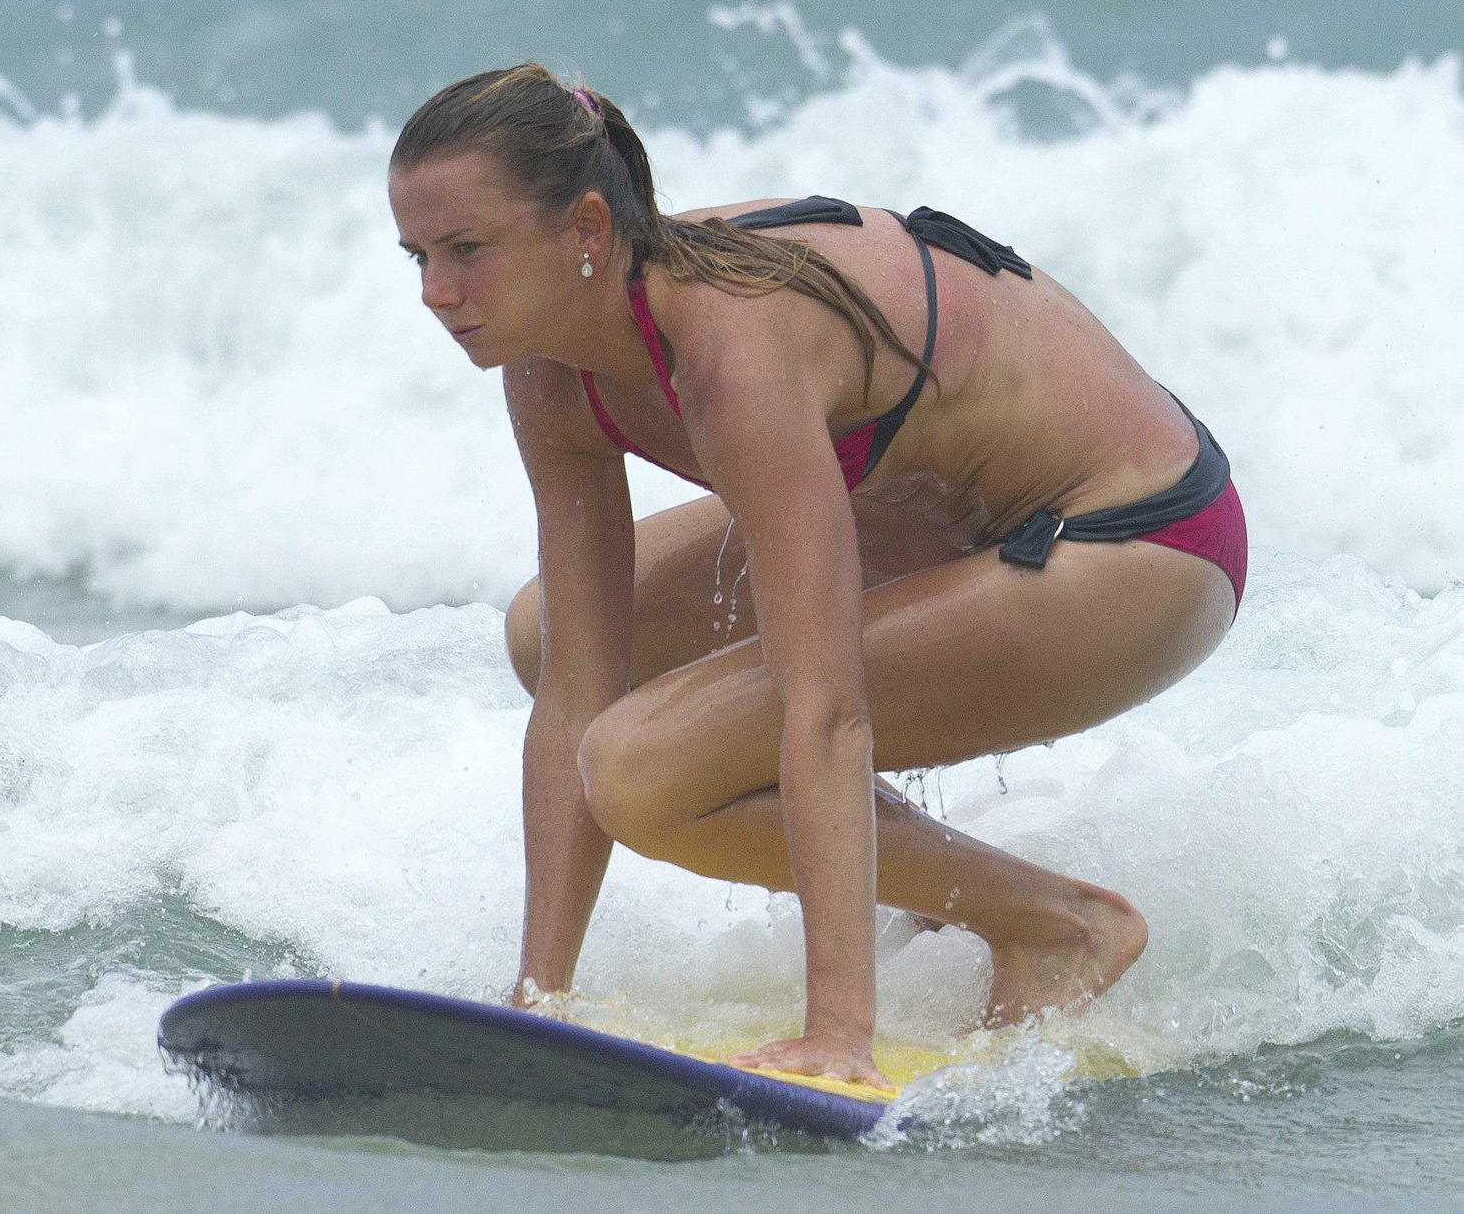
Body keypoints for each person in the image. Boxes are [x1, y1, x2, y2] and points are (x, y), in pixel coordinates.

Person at [386, 63, 1247, 1090]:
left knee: (638, 773)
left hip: (1138, 549)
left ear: (582, 230)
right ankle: (925, 877)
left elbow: (825, 708)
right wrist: (536, 1009)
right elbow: (576, 680)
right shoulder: (547, 353)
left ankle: (1053, 927)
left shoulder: (732, 349)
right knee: (547, 639)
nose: (438, 295)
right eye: (419, 257)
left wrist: (836, 1032)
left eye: (467, 252)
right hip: (941, 527)